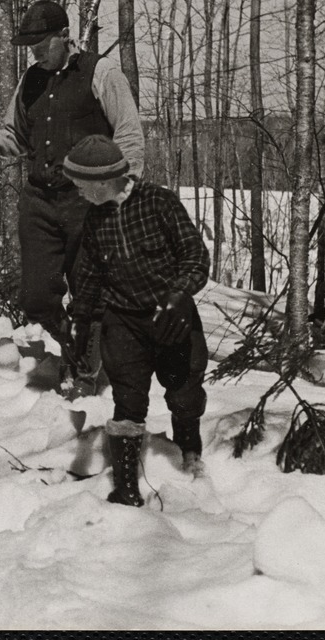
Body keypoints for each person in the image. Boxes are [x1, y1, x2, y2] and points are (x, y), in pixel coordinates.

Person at [0, 0, 145, 398]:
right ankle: (72, 347)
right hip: (40, 203)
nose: (33, 52)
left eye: (41, 43)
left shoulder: (101, 72)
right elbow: (13, 138)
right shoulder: (30, 80)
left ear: (65, 36)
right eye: (29, 45)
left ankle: (85, 366)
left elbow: (130, 138)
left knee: (90, 296)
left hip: (90, 204)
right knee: (35, 297)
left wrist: (121, 195)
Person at [62, 135, 210, 506]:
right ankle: (126, 485)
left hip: (170, 316)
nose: (78, 193)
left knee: (183, 392)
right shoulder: (96, 219)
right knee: (128, 400)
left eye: (82, 186)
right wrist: (81, 323)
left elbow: (194, 253)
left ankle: (189, 455)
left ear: (102, 181)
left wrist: (179, 295)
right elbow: (91, 276)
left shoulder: (159, 202)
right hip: (123, 320)